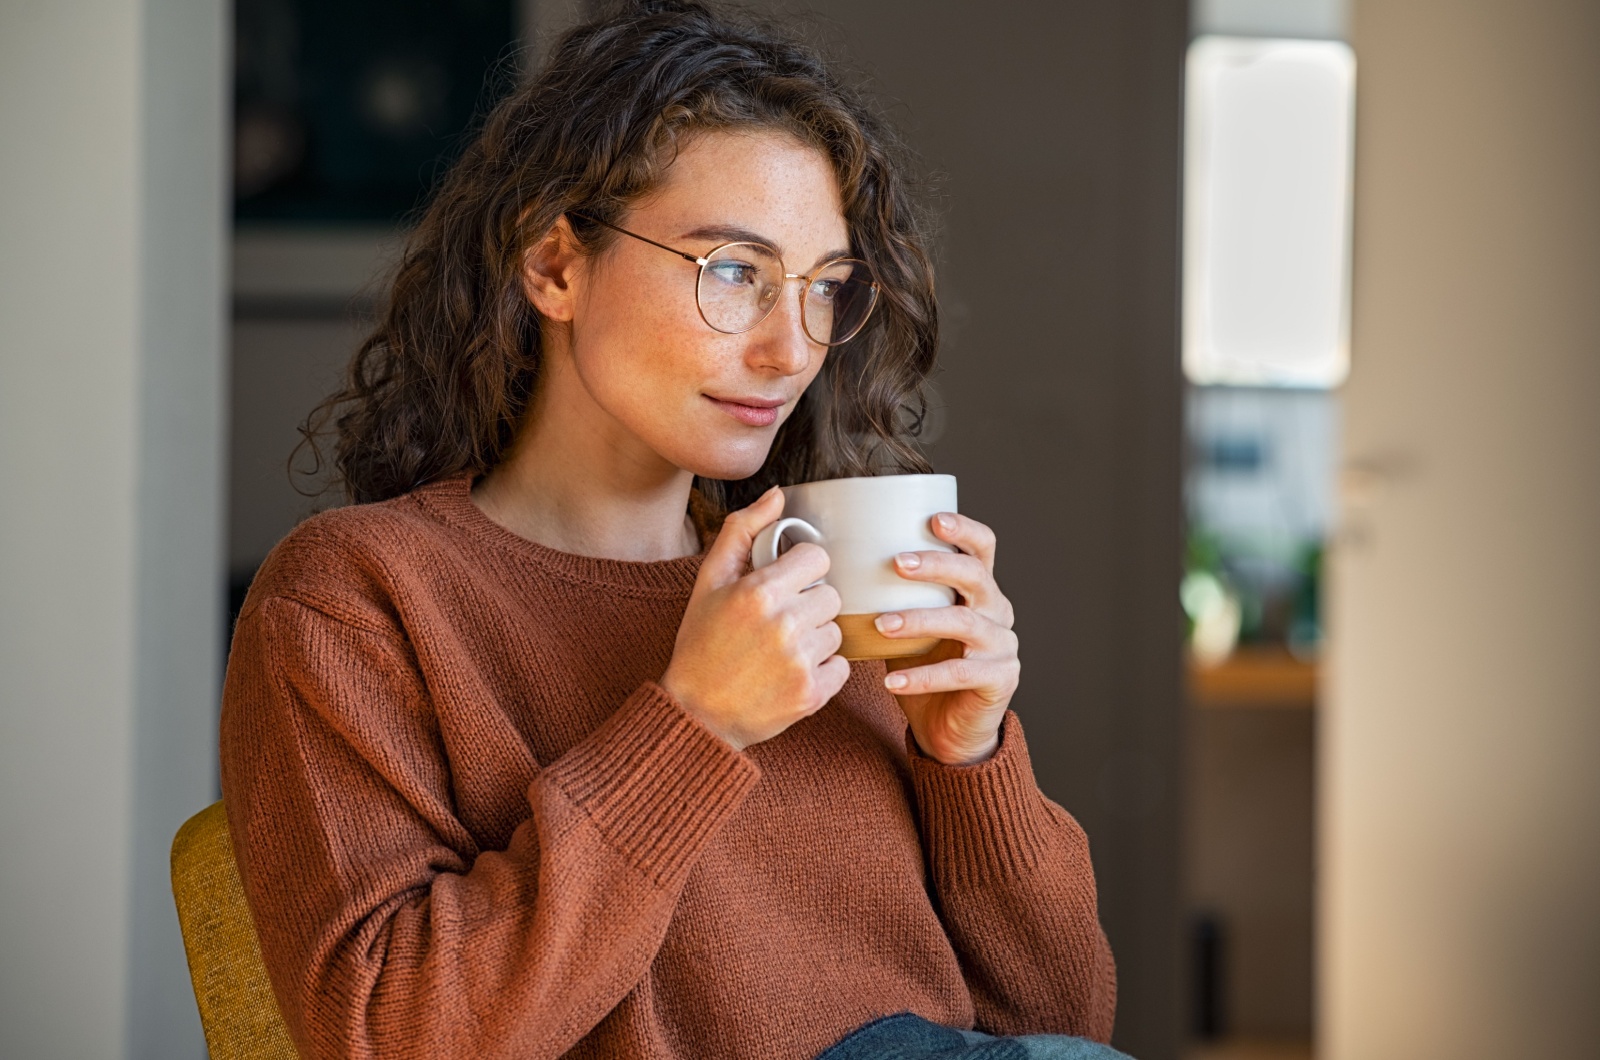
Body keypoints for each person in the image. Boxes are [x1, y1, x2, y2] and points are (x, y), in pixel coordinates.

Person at [220, 2, 1123, 1057]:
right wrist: (696, 725)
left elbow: (1069, 1026)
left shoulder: (828, 586)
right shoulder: (357, 596)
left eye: (825, 289)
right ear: (555, 266)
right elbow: (385, 1034)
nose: (794, 349)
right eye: (734, 271)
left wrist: (970, 762)